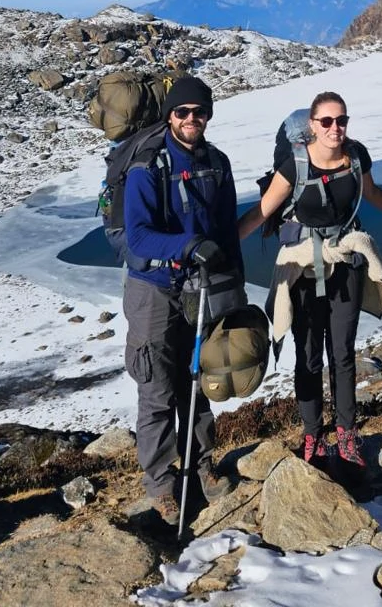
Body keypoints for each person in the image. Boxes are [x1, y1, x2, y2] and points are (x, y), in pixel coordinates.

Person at [239, 92, 382, 469]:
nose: (334, 128)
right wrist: (225, 245)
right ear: (313, 125)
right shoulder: (295, 165)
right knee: (308, 355)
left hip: (346, 265)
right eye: (326, 121)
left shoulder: (356, 156)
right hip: (304, 270)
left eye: (340, 120)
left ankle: (346, 432)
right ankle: (312, 433)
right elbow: (262, 212)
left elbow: (371, 192)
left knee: (342, 354)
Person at [123, 75, 243, 522]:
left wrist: (234, 286)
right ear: (170, 116)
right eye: (182, 112)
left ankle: (201, 466)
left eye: (200, 111)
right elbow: (137, 237)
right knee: (156, 388)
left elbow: (226, 231)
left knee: (197, 379)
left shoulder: (217, 163)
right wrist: (189, 246)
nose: (192, 118)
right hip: (153, 290)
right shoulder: (147, 166)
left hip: (202, 286)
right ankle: (160, 483)